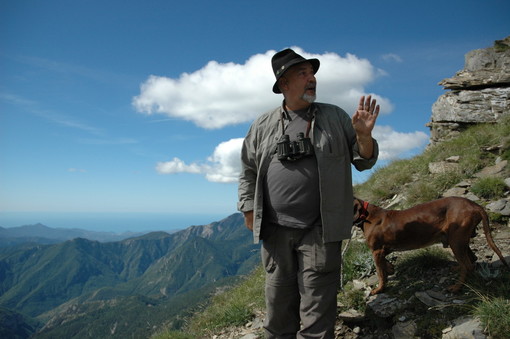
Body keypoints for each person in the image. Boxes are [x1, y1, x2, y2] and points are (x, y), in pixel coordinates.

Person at [237, 48, 379, 338]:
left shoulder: (335, 117)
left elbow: (364, 161)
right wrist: (249, 209)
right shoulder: (263, 125)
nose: (312, 78)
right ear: (284, 83)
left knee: (317, 309)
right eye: (302, 73)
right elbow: (248, 169)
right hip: (275, 231)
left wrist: (364, 137)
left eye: (312, 72)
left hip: (320, 230)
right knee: (278, 307)